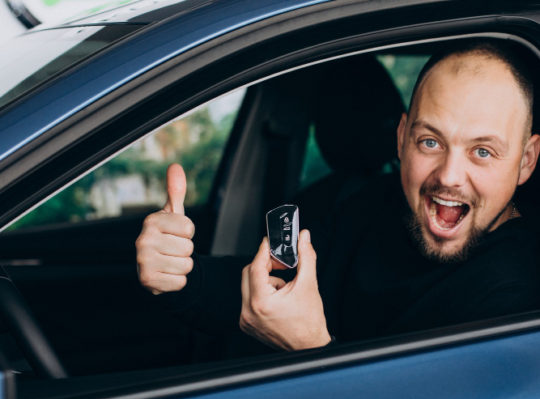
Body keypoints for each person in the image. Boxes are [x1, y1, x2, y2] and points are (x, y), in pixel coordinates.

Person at [135, 39, 540, 355]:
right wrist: (180, 276)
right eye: (430, 142)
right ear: (401, 139)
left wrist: (311, 349)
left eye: (482, 151)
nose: (449, 176)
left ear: (525, 161)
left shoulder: (519, 300)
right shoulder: (366, 206)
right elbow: (268, 288)